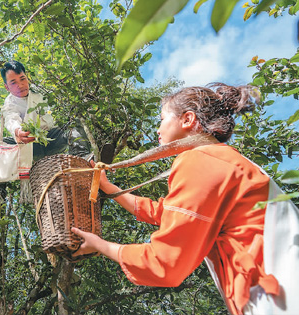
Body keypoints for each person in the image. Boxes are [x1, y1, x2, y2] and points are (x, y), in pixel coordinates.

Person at [71, 83, 299, 315]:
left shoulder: (200, 160)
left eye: (162, 119)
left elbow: (165, 263)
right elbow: (167, 213)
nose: (158, 128)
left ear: (187, 119)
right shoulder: (224, 160)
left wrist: (99, 244)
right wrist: (109, 188)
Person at [0, 60, 92, 206]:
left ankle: (83, 160)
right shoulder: (10, 103)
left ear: (27, 78)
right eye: (13, 82)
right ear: (7, 87)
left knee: (74, 125)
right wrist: (18, 131)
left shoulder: (39, 92)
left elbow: (56, 108)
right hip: (29, 145)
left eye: (22, 79)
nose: (20, 85)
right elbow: (11, 118)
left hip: (50, 138)